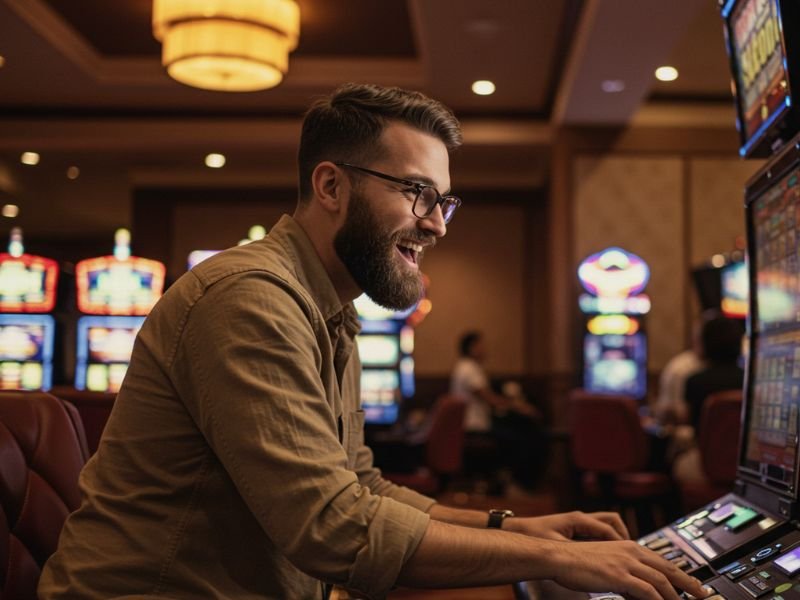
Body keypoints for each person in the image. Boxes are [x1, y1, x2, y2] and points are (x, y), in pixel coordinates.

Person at [39, 83, 708, 600]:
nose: (439, 226)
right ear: (330, 185)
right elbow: (332, 531)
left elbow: (358, 488)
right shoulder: (249, 299)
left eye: (444, 201)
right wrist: (556, 558)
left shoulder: (331, 310)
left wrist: (514, 527)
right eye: (418, 192)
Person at [451, 330, 548, 492]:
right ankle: (516, 484)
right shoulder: (469, 369)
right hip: (474, 428)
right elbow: (489, 399)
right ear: (472, 347)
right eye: (482, 345)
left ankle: (509, 482)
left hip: (473, 426)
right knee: (523, 439)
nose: (485, 349)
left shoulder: (465, 367)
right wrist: (520, 407)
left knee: (518, 434)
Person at [672, 314, 744, 486]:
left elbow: (687, 422)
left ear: (705, 344)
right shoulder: (752, 380)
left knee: (674, 464)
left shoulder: (695, 381)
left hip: (706, 464)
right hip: (747, 465)